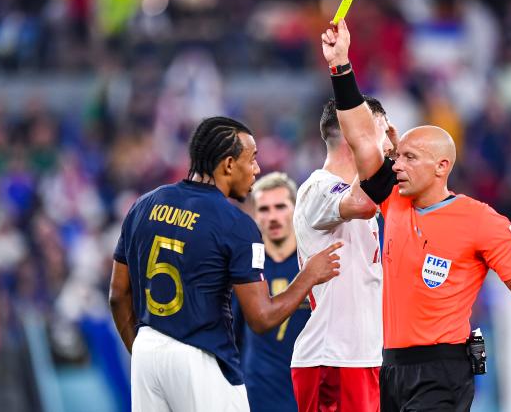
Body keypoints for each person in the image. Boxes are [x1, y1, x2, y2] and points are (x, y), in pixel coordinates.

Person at [320, 20, 511, 411]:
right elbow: (361, 138)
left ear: (441, 166)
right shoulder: (392, 199)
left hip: (442, 371)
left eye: (409, 158)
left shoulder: (482, 221)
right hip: (390, 368)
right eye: (397, 156)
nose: (396, 164)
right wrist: (340, 66)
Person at [108, 116, 344, 412]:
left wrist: (144, 353)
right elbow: (261, 317)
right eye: (252, 159)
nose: (257, 169)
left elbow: (118, 295)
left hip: (146, 351)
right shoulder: (236, 224)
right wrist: (308, 275)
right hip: (201, 358)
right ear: (229, 165)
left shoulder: (144, 205)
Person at [290, 97, 395, 411]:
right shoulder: (318, 189)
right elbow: (361, 204)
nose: (389, 141)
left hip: (363, 356)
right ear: (355, 136)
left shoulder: (360, 190)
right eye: (381, 130)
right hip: (333, 359)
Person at [232, 172, 310, 412]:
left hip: (310, 389)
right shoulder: (243, 268)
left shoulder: (314, 262)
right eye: (264, 209)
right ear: (254, 215)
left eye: (280, 207)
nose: (273, 217)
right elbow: (232, 336)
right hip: (258, 395)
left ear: (296, 209)